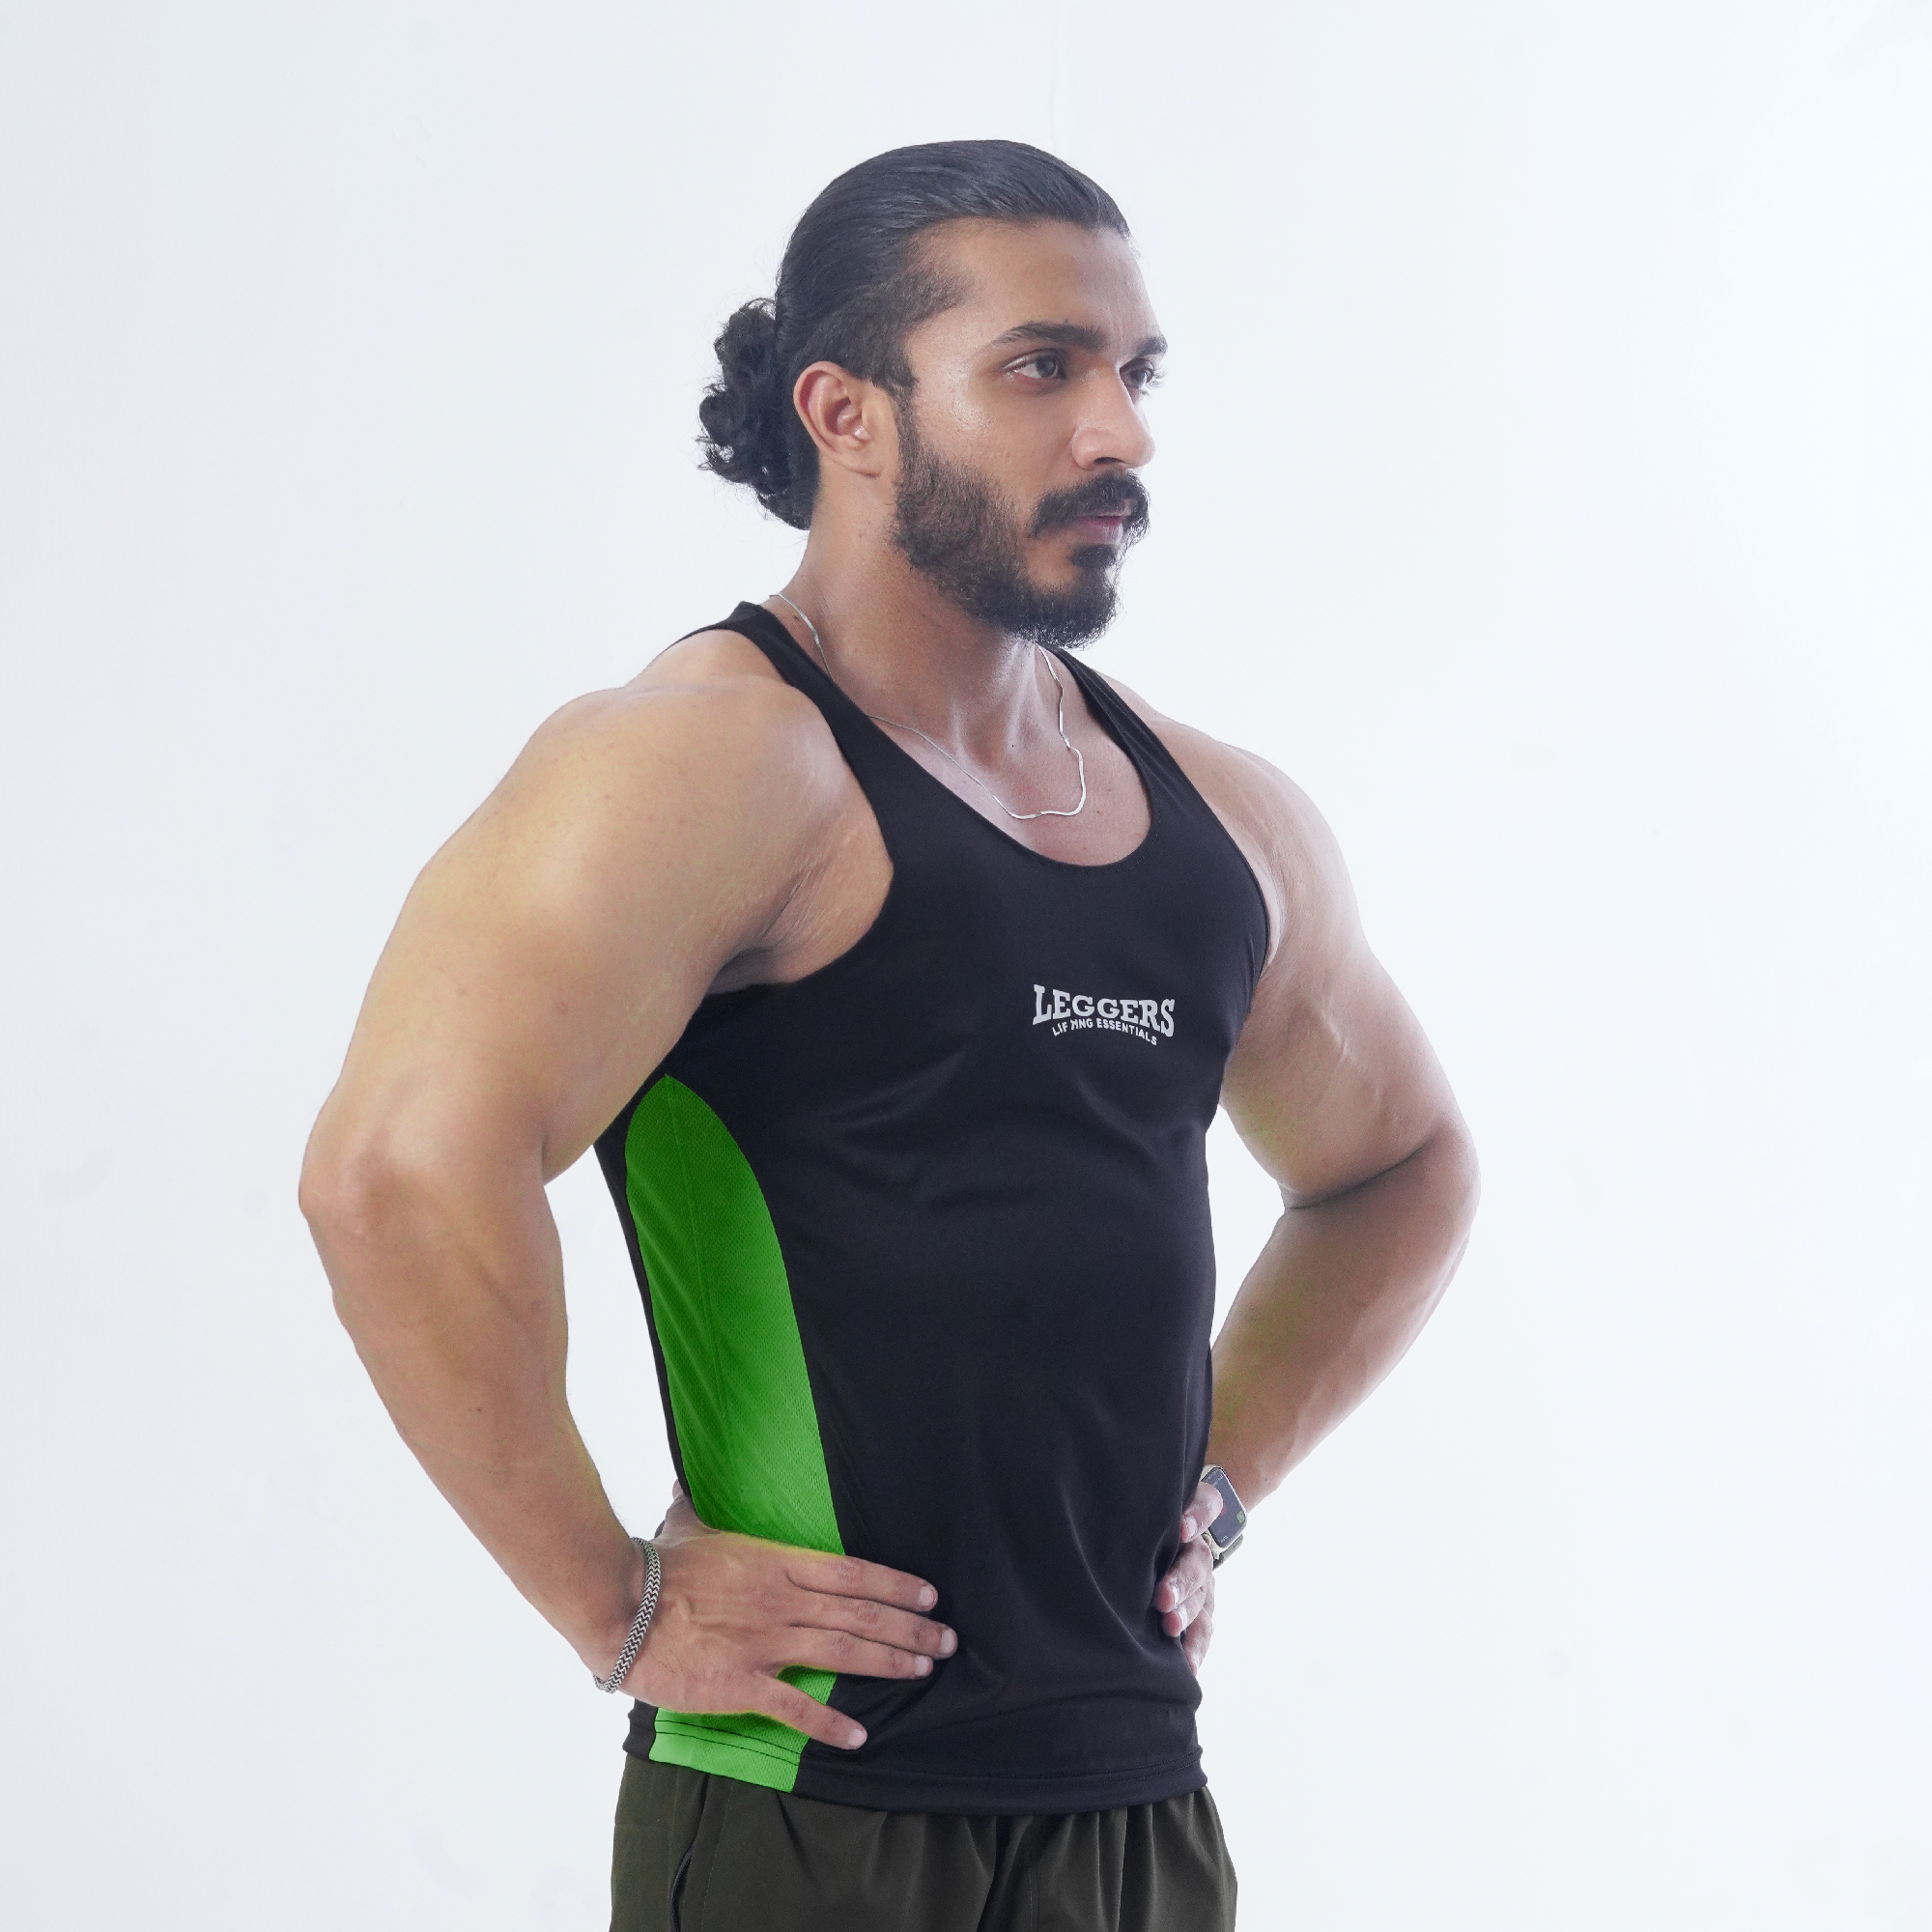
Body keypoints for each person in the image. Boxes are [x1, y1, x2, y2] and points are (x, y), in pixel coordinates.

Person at [300, 139, 1479, 1932]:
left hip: (1139, 1809)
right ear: (844, 412)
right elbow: (396, 1174)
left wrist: (1221, 1484)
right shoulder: (709, 765)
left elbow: (1400, 1163)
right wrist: (612, 1601)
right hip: (814, 1807)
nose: (1120, 432)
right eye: (1042, 368)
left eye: (1135, 372)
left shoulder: (1227, 822)